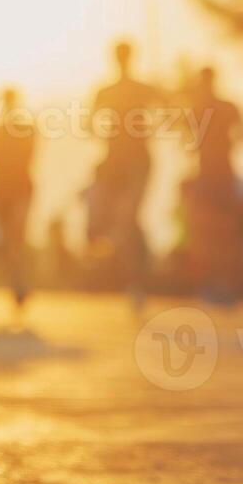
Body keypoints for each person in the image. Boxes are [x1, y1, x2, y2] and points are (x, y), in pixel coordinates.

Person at [89, 40, 157, 309]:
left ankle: (136, 282)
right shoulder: (130, 90)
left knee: (128, 217)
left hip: (136, 161)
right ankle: (135, 280)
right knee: (122, 220)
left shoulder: (121, 90)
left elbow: (88, 126)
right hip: (117, 162)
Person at [186, 67, 243, 305]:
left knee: (220, 232)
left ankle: (223, 286)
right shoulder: (212, 108)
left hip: (217, 175)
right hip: (210, 175)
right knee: (212, 233)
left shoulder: (209, 109)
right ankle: (215, 285)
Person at [0, 88, 37, 312]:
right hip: (1, 189)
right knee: (9, 240)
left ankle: (22, 282)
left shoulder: (25, 129)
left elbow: (32, 155)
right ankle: (17, 284)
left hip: (20, 188)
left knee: (17, 234)